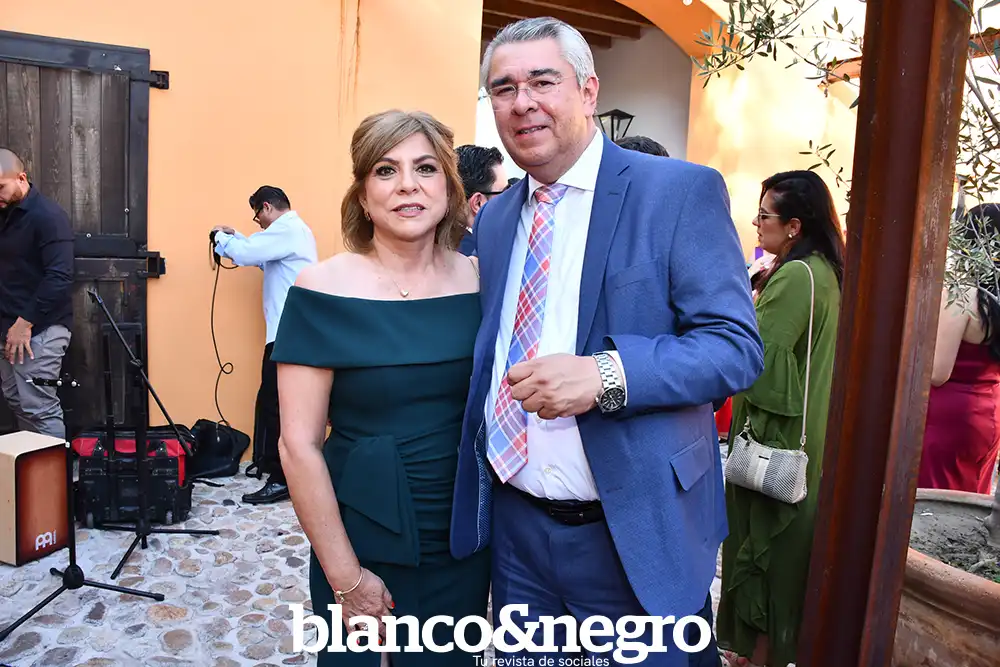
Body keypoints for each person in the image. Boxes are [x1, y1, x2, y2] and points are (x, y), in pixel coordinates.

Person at [451, 17, 764, 667]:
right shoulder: (500, 218)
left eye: (543, 81)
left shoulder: (677, 192)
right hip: (519, 533)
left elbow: (735, 346)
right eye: (503, 88)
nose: (522, 102)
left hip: (635, 533)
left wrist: (605, 375)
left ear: (589, 90)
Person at [270, 110, 491, 666]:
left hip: (461, 535)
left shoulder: (481, 281)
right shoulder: (321, 288)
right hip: (362, 534)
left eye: (426, 168)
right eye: (386, 170)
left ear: (449, 188)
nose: (408, 185)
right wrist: (346, 578)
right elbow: (297, 446)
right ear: (363, 196)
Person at [716, 170, 846, 667]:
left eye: (763, 215)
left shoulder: (794, 276)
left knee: (763, 554)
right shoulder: (825, 270)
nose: (756, 223)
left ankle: (756, 657)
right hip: (807, 432)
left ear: (794, 226)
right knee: (784, 561)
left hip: (777, 439)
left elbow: (761, 362)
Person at [211, 186, 317, 504]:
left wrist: (219, 238)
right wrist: (239, 238)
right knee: (275, 401)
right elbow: (258, 255)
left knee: (276, 405)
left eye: (257, 215)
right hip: (290, 333)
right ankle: (274, 466)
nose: (258, 221)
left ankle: (281, 477)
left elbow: (246, 254)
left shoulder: (287, 230)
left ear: (267, 207)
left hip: (289, 334)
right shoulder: (292, 233)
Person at [918, 202, 1000, 494]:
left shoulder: (962, 295)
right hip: (988, 413)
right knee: (970, 502)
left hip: (950, 418)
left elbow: (937, 372)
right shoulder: (994, 301)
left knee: (934, 502)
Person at [0, 148, 75, 440]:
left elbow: (60, 277)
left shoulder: (48, 217)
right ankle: (34, 466)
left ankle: (54, 470)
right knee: (17, 402)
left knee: (40, 407)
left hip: (40, 329)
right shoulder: (5, 214)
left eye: (1, 187)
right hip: (8, 328)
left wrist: (24, 324)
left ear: (21, 178)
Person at [456, 144, 508, 256]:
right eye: (505, 194)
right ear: (478, 203)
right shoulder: (480, 257)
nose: (510, 202)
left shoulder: (433, 242)